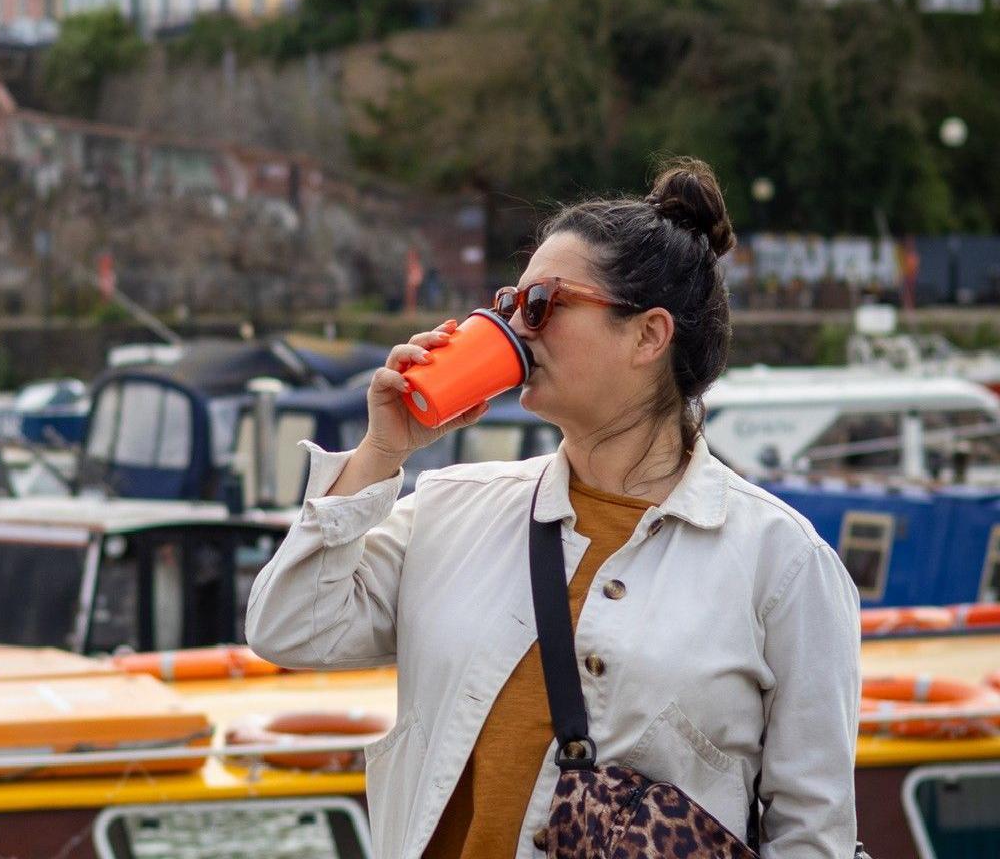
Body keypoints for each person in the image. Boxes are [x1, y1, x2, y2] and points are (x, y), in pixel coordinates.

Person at [245, 158, 860, 859]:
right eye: (511, 303)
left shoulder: (782, 565)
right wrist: (384, 450)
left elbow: (814, 835)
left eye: (541, 304)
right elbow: (289, 627)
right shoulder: (453, 508)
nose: (513, 327)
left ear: (648, 336)